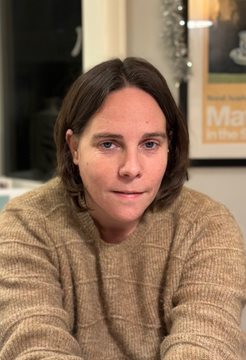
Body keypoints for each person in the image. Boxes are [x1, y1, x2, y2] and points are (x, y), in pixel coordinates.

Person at [0, 57, 246, 359]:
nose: (131, 168)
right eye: (108, 144)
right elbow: (32, 345)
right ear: (74, 147)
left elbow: (207, 346)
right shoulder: (27, 224)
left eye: (150, 144)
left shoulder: (207, 225)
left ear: (169, 145)